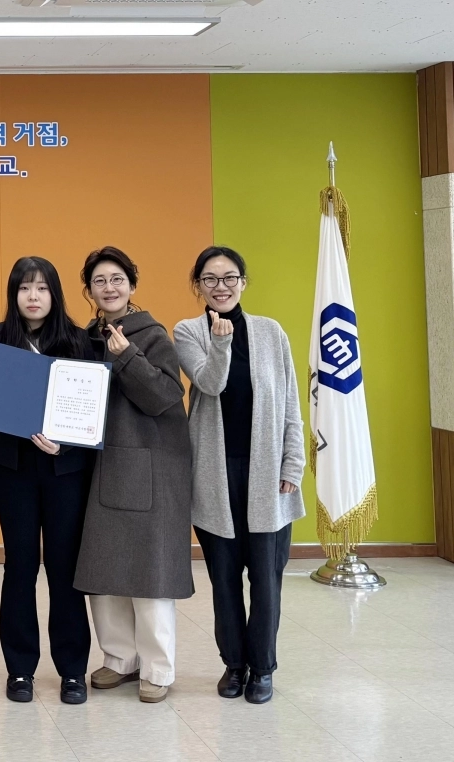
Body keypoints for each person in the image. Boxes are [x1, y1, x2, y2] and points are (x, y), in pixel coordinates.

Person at [0, 257, 96, 705]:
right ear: (13, 294)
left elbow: (96, 412)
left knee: (64, 570)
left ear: (54, 294)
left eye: (41, 288)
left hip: (64, 472)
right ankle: (20, 669)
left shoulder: (79, 340)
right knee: (19, 568)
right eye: (24, 288)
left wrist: (69, 447)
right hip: (14, 471)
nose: (32, 297)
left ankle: (72, 670)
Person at [174, 245, 305, 705]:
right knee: (225, 578)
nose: (220, 287)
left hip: (268, 475)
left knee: (267, 579)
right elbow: (211, 384)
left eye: (229, 278)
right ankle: (234, 663)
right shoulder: (188, 331)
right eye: (209, 280)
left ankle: (263, 667)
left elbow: (290, 403)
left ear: (243, 283)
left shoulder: (272, 333)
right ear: (198, 287)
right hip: (215, 474)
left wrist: (294, 464)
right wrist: (222, 341)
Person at [73, 247, 194, 704]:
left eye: (117, 279)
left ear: (132, 285)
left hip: (147, 466)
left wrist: (126, 357)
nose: (109, 287)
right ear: (88, 290)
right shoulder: (85, 337)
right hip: (99, 465)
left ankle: (158, 669)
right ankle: (118, 660)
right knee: (103, 571)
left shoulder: (151, 334)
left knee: (149, 571)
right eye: (100, 281)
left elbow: (166, 396)